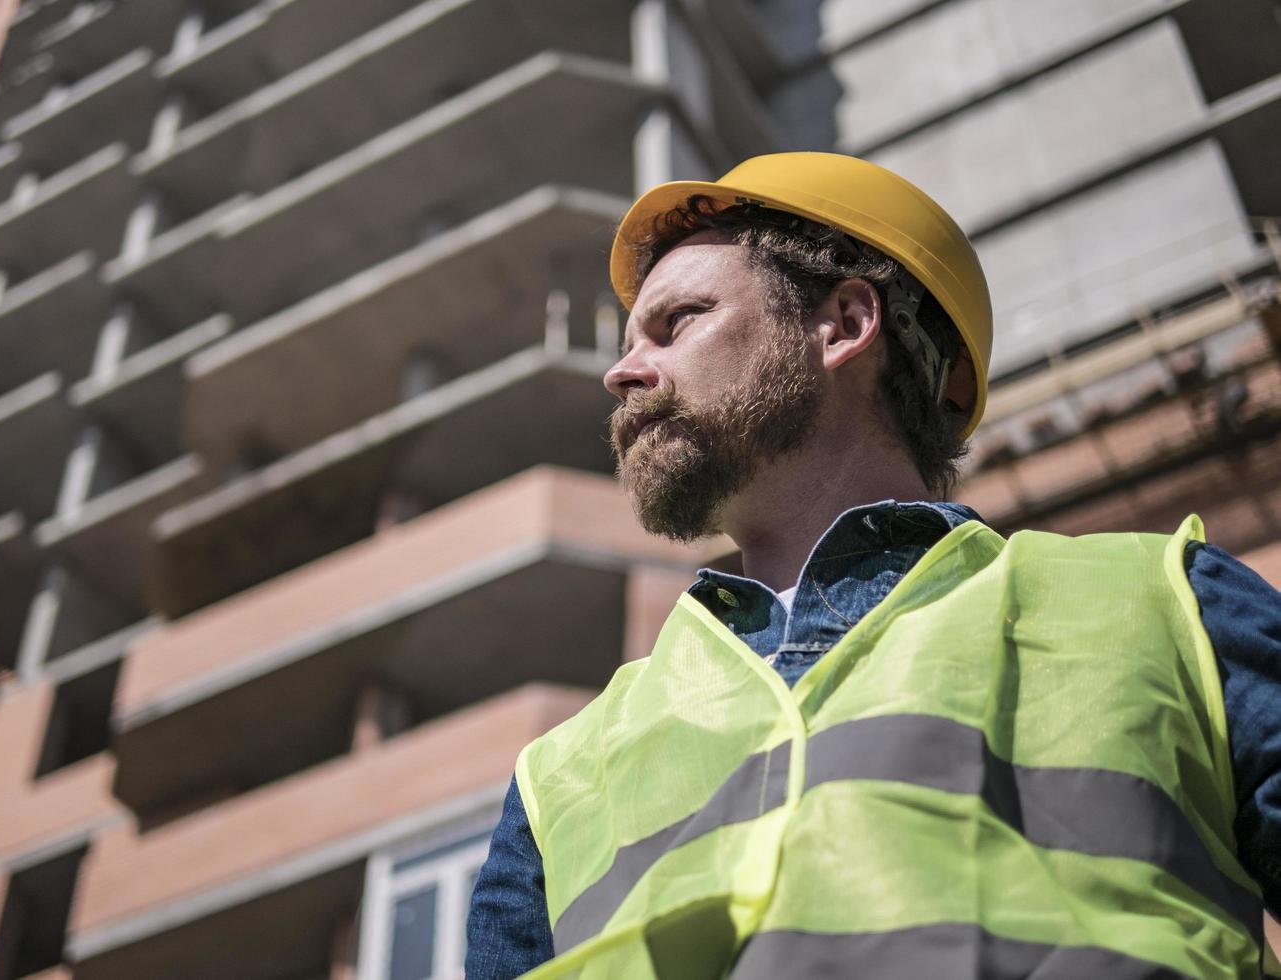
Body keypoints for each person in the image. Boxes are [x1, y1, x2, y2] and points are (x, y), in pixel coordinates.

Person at [464, 152, 1281, 979]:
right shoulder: (557, 778)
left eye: (677, 322)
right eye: (630, 341)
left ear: (844, 324)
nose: (620, 372)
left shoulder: (1169, 602)